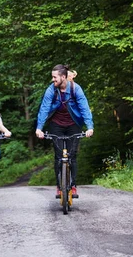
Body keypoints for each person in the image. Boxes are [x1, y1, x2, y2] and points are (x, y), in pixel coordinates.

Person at [35, 64, 94, 198]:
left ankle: (72, 186)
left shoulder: (75, 89)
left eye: (55, 77)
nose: (53, 80)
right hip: (56, 124)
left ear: (63, 77)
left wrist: (89, 126)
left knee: (72, 156)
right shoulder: (51, 90)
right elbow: (44, 108)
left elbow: (84, 107)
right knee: (58, 156)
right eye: (52, 77)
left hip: (73, 124)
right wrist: (39, 128)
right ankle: (59, 186)